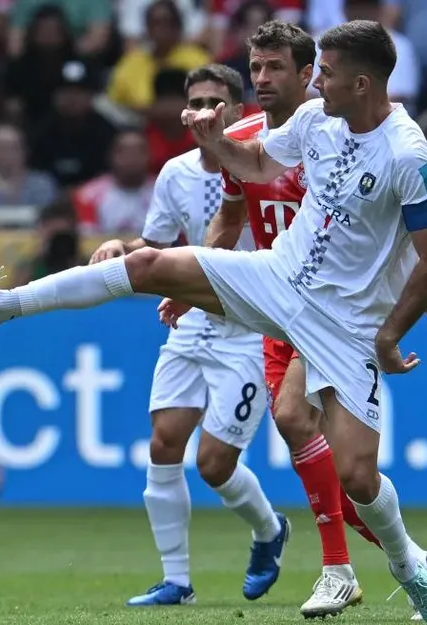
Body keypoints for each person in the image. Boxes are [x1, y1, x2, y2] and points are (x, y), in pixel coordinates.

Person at [0, 20, 427, 625]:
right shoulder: (316, 120)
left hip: (347, 322)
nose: (314, 82)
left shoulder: (410, 155)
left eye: (323, 73)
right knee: (146, 264)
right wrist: (215, 139)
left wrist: (389, 333)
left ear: (361, 82)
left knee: (358, 475)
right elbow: (251, 164)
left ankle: (412, 573)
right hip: (276, 275)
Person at [208, 20, 427, 620]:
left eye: (279, 68)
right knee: (320, 449)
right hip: (274, 302)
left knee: (299, 419)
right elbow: (227, 218)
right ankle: (413, 562)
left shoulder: (344, 140)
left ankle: (339, 568)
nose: (262, 78)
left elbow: (391, 251)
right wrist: (196, 279)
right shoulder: (251, 140)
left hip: (332, 312)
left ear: (310, 76)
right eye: (257, 66)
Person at [90, 64, 288, 608]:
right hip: (192, 318)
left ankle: (270, 530)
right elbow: (156, 242)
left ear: (236, 109)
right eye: (195, 100)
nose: (203, 109)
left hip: (248, 325)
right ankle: (176, 581)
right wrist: (120, 247)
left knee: (215, 464)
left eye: (215, 101)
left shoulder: (266, 158)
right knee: (163, 445)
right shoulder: (174, 173)